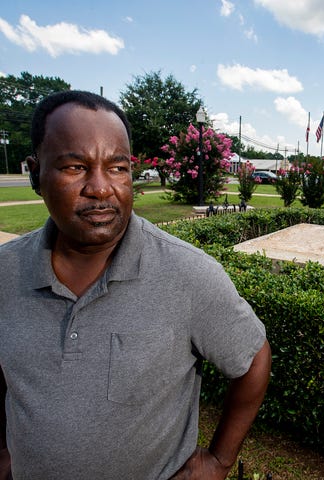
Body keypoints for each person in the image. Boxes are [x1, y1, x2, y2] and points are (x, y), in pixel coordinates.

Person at [0, 90, 271, 480]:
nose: (100, 188)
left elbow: (254, 359)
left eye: (117, 167)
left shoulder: (188, 275)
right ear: (34, 173)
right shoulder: (6, 272)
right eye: (75, 166)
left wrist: (218, 461)